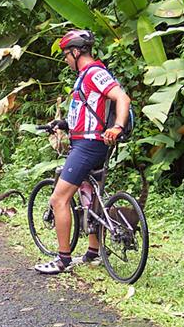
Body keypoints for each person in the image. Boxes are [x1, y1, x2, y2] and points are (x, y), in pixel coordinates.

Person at [34, 29, 131, 275]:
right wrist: (64, 125)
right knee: (90, 195)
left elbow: (122, 97)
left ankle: (62, 259)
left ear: (76, 52)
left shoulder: (94, 73)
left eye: (67, 54)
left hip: (89, 146)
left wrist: (117, 126)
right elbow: (88, 112)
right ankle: (93, 252)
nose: (66, 60)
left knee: (59, 199)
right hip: (87, 142)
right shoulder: (83, 77)